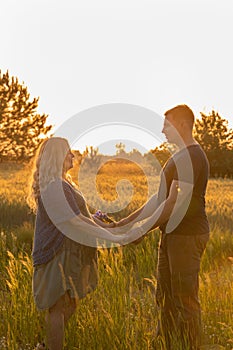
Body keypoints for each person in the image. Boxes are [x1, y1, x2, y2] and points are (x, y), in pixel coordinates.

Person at [114, 105, 210, 349]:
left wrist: (141, 231)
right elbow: (158, 200)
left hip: (186, 236)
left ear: (182, 125)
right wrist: (127, 222)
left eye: (167, 124)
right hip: (171, 235)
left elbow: (174, 203)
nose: (162, 130)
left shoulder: (193, 156)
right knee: (164, 299)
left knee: (185, 302)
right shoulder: (177, 156)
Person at [27, 137, 123, 350]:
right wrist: (113, 238)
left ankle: (44, 346)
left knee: (70, 303)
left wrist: (105, 226)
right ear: (58, 157)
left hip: (69, 251)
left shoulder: (64, 183)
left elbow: (82, 217)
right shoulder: (54, 186)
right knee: (58, 307)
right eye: (68, 152)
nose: (73, 155)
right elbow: (75, 221)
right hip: (56, 252)